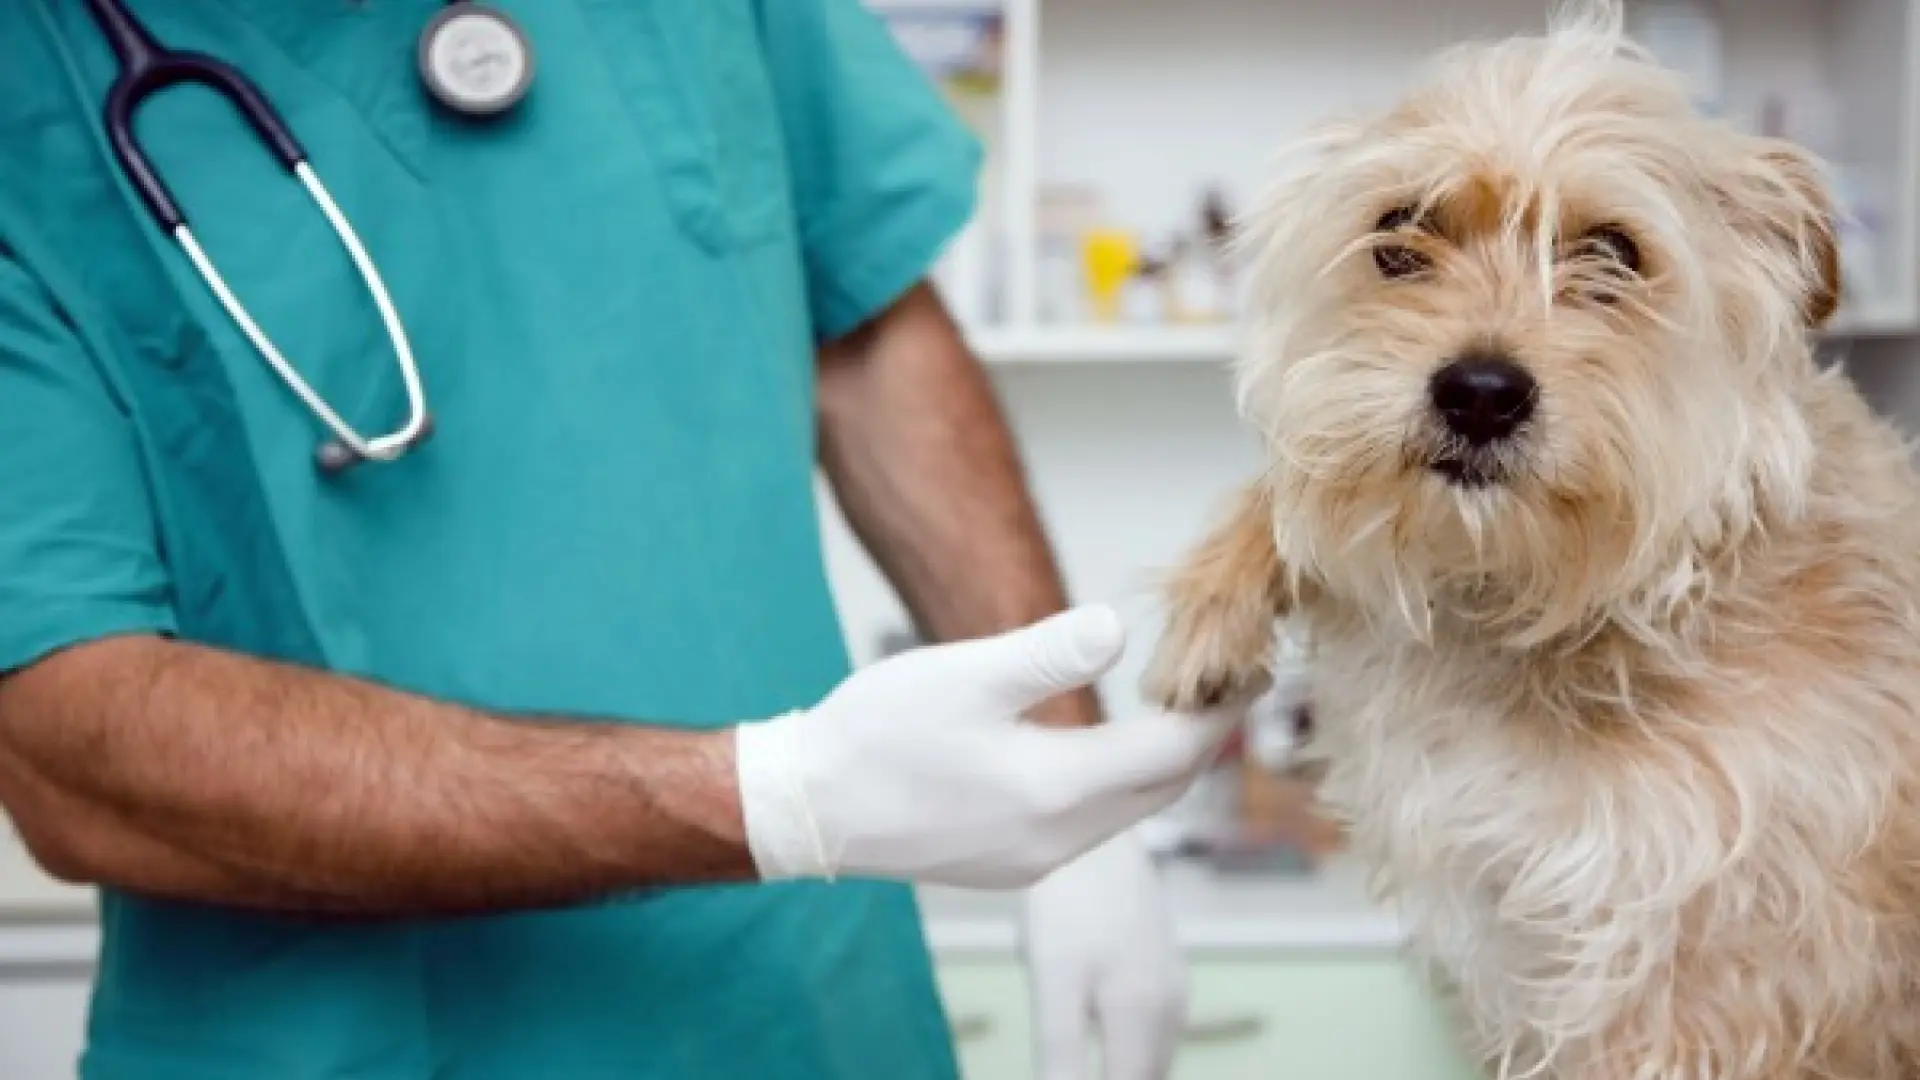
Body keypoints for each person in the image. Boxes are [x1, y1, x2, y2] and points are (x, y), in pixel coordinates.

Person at [0, 3, 1233, 1080]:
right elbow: (69, 738)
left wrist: (1078, 796)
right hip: (350, 1040)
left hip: (809, 1016)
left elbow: (864, 327)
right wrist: (773, 799)